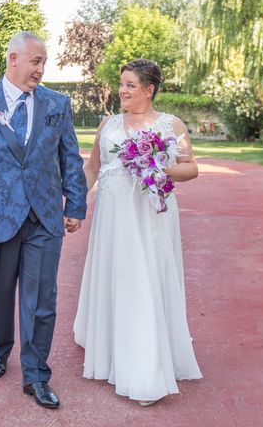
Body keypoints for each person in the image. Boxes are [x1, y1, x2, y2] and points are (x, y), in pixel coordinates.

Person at [0, 31, 87, 409]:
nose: (41, 69)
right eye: (35, 61)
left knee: (42, 300)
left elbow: (70, 157)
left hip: (44, 217)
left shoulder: (57, 104)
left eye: (44, 62)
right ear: (13, 59)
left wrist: (75, 204)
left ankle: (37, 374)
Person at [73, 58, 202, 406]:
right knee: (120, 278)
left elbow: (192, 168)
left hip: (151, 217)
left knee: (145, 280)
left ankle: (145, 369)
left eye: (130, 85)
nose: (123, 90)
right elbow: (92, 169)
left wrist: (160, 167)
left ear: (150, 89)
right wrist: (73, 205)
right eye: (122, 83)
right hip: (113, 218)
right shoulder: (108, 125)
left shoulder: (170, 124)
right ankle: (114, 350)